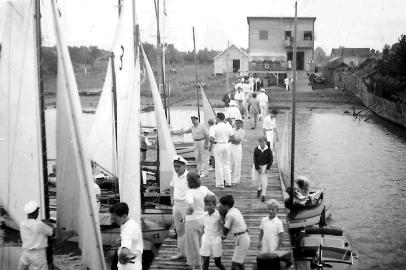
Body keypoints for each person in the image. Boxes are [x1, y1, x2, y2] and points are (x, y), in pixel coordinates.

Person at [184, 172, 215, 269]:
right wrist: (206, 209)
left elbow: (191, 206)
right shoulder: (204, 189)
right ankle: (204, 264)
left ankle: (197, 266)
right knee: (203, 243)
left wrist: (188, 212)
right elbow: (214, 197)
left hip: (192, 221)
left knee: (193, 245)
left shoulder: (189, 192)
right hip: (203, 219)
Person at [18, 201, 54, 270]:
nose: (38, 213)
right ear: (35, 212)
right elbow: (51, 233)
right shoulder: (39, 224)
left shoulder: (22, 224)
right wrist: (49, 225)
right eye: (37, 211)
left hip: (26, 252)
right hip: (38, 254)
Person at [257, 200, 292, 269]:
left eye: (273, 210)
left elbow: (281, 237)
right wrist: (259, 241)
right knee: (264, 262)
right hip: (264, 244)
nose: (270, 211)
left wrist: (278, 248)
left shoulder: (278, 222)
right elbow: (261, 232)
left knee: (272, 264)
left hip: (274, 246)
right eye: (269, 209)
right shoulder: (264, 220)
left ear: (277, 210)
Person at [219, 195, 250, 270]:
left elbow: (225, 229)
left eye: (221, 205)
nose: (220, 207)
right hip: (243, 237)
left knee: (235, 264)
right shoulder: (236, 210)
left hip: (242, 239)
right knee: (240, 262)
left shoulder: (230, 215)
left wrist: (222, 218)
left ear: (226, 206)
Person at [109, 202, 143, 270]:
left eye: (115, 218)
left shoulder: (128, 229)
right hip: (135, 264)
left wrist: (119, 258)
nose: (112, 221)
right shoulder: (132, 223)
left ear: (124, 216)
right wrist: (122, 242)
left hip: (128, 267)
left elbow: (125, 252)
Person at [170, 155, 189, 260]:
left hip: (185, 206)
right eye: (174, 166)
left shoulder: (188, 176)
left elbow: (194, 190)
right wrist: (171, 198)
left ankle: (189, 254)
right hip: (176, 205)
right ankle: (181, 253)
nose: (176, 168)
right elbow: (171, 186)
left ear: (183, 166)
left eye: (178, 166)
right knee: (179, 230)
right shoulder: (175, 175)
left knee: (187, 230)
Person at [209, 112, 234, 188]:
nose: (215, 119)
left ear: (218, 118)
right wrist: (228, 141)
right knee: (226, 164)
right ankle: (228, 182)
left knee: (218, 164)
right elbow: (232, 136)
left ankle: (220, 183)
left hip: (218, 144)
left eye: (216, 117)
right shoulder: (228, 126)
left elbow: (211, 138)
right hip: (227, 144)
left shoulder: (213, 127)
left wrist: (213, 142)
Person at [200, 194, 225, 270]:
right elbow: (203, 226)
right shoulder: (204, 214)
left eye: (210, 205)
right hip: (206, 239)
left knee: (217, 263)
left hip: (216, 240)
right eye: (206, 205)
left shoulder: (218, 215)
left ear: (214, 205)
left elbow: (223, 228)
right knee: (205, 262)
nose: (208, 207)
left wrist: (222, 222)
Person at [252, 136, 273, 202]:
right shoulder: (256, 149)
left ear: (266, 142)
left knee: (264, 181)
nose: (262, 144)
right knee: (255, 179)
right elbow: (255, 159)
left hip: (265, 166)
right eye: (260, 142)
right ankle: (259, 188)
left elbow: (270, 160)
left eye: (263, 142)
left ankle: (263, 195)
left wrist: (268, 168)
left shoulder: (268, 150)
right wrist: (258, 168)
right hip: (257, 165)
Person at [230, 118, 245, 185]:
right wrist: (233, 139)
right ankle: (229, 178)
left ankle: (236, 179)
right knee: (230, 163)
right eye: (236, 122)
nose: (237, 124)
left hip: (237, 147)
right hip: (231, 146)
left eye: (239, 123)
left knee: (237, 163)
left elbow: (238, 141)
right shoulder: (232, 130)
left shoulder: (242, 131)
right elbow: (229, 139)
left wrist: (233, 139)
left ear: (241, 124)